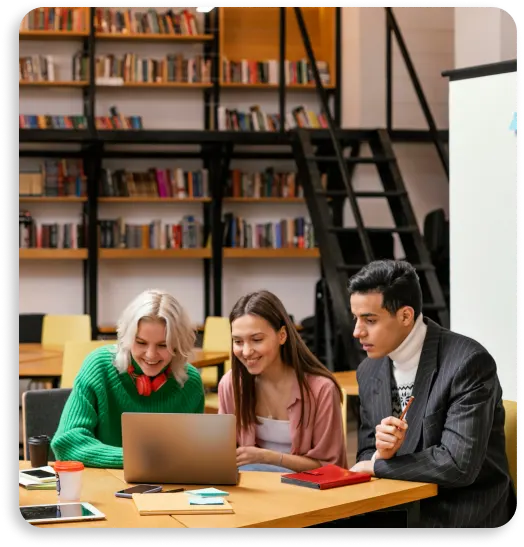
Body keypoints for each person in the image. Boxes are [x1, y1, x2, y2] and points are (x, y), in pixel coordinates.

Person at [348, 260, 514, 528]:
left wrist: (378, 466)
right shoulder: (368, 370)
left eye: (370, 320)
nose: (357, 331)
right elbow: (367, 453)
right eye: (355, 318)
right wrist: (381, 455)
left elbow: (458, 465)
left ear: (405, 316)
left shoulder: (468, 362)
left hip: (461, 513)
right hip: (397, 506)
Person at [51, 289, 205, 468]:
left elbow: (194, 454)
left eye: (163, 345)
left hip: (168, 489)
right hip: (103, 486)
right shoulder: (98, 366)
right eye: (140, 343)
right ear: (126, 338)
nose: (151, 354)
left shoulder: (190, 382)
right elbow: (66, 444)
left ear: (178, 345)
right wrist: (139, 459)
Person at [218, 290, 347, 473]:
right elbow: (223, 454)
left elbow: (330, 466)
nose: (246, 352)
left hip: (308, 494)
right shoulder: (231, 384)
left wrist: (268, 457)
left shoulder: (321, 389)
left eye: (256, 340)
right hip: (252, 491)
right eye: (238, 341)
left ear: (282, 335)